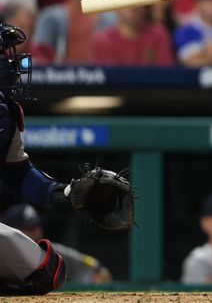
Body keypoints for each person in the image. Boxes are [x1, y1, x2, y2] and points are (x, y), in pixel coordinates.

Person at [0, 23, 130, 294]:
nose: (11, 63)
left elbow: (18, 173)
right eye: (3, 55)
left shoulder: (6, 114)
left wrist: (65, 193)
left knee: (46, 272)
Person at [1, 203, 111, 285]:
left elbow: (98, 270)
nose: (37, 232)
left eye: (37, 227)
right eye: (29, 228)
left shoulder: (49, 252)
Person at [91, 0, 174, 66]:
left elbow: (166, 76)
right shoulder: (103, 42)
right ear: (115, 7)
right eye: (129, 1)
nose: (136, 6)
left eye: (140, 0)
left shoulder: (158, 35)